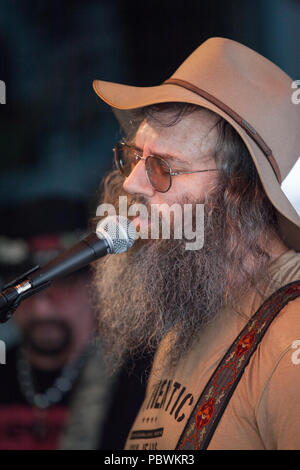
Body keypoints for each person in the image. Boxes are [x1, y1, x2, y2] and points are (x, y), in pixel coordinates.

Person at [90, 37, 300, 450]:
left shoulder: (290, 340)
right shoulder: (189, 320)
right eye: (134, 158)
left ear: (240, 192)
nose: (131, 183)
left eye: (163, 167)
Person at [0, 198, 98, 450]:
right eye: (20, 289)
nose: (41, 307)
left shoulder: (135, 378)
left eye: (61, 283)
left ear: (95, 285)